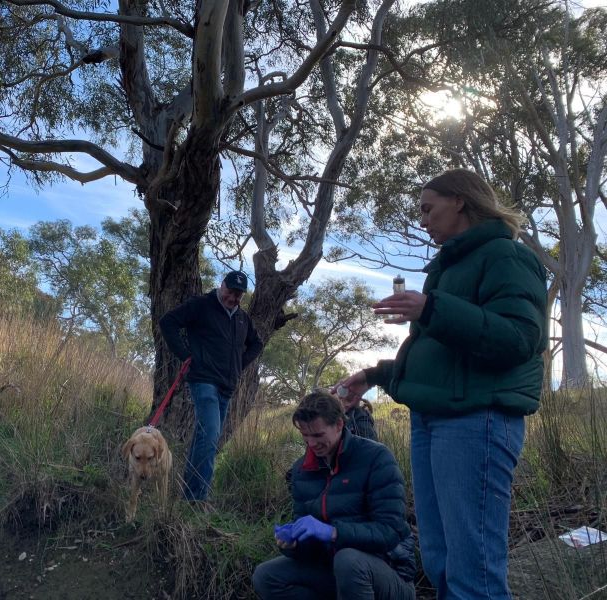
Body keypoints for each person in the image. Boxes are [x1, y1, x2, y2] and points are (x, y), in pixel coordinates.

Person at [337, 168, 547, 599]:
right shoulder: (448, 269)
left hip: (477, 422)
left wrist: (432, 308)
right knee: (439, 560)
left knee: (474, 569)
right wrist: (374, 376)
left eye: (428, 209)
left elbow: (519, 340)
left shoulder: (506, 257)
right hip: (434, 420)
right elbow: (442, 361)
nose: (423, 220)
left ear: (461, 202)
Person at [253, 390, 416, 600]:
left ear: (339, 425)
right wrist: (293, 545)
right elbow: (310, 549)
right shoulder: (301, 471)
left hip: (389, 574)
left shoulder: (376, 458)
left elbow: (390, 531)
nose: (311, 444)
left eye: (318, 435)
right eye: (305, 435)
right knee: (266, 576)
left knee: (348, 560)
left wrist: (333, 533)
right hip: (335, 572)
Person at [159, 270, 263, 504]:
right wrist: (185, 355)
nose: (233, 298)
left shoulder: (242, 319)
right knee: (211, 435)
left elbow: (257, 343)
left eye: (238, 294)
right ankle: (197, 500)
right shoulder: (201, 305)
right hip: (203, 380)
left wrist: (239, 365)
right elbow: (168, 323)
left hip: (227, 386)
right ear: (221, 285)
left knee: (204, 438)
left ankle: (187, 496)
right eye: (230, 291)